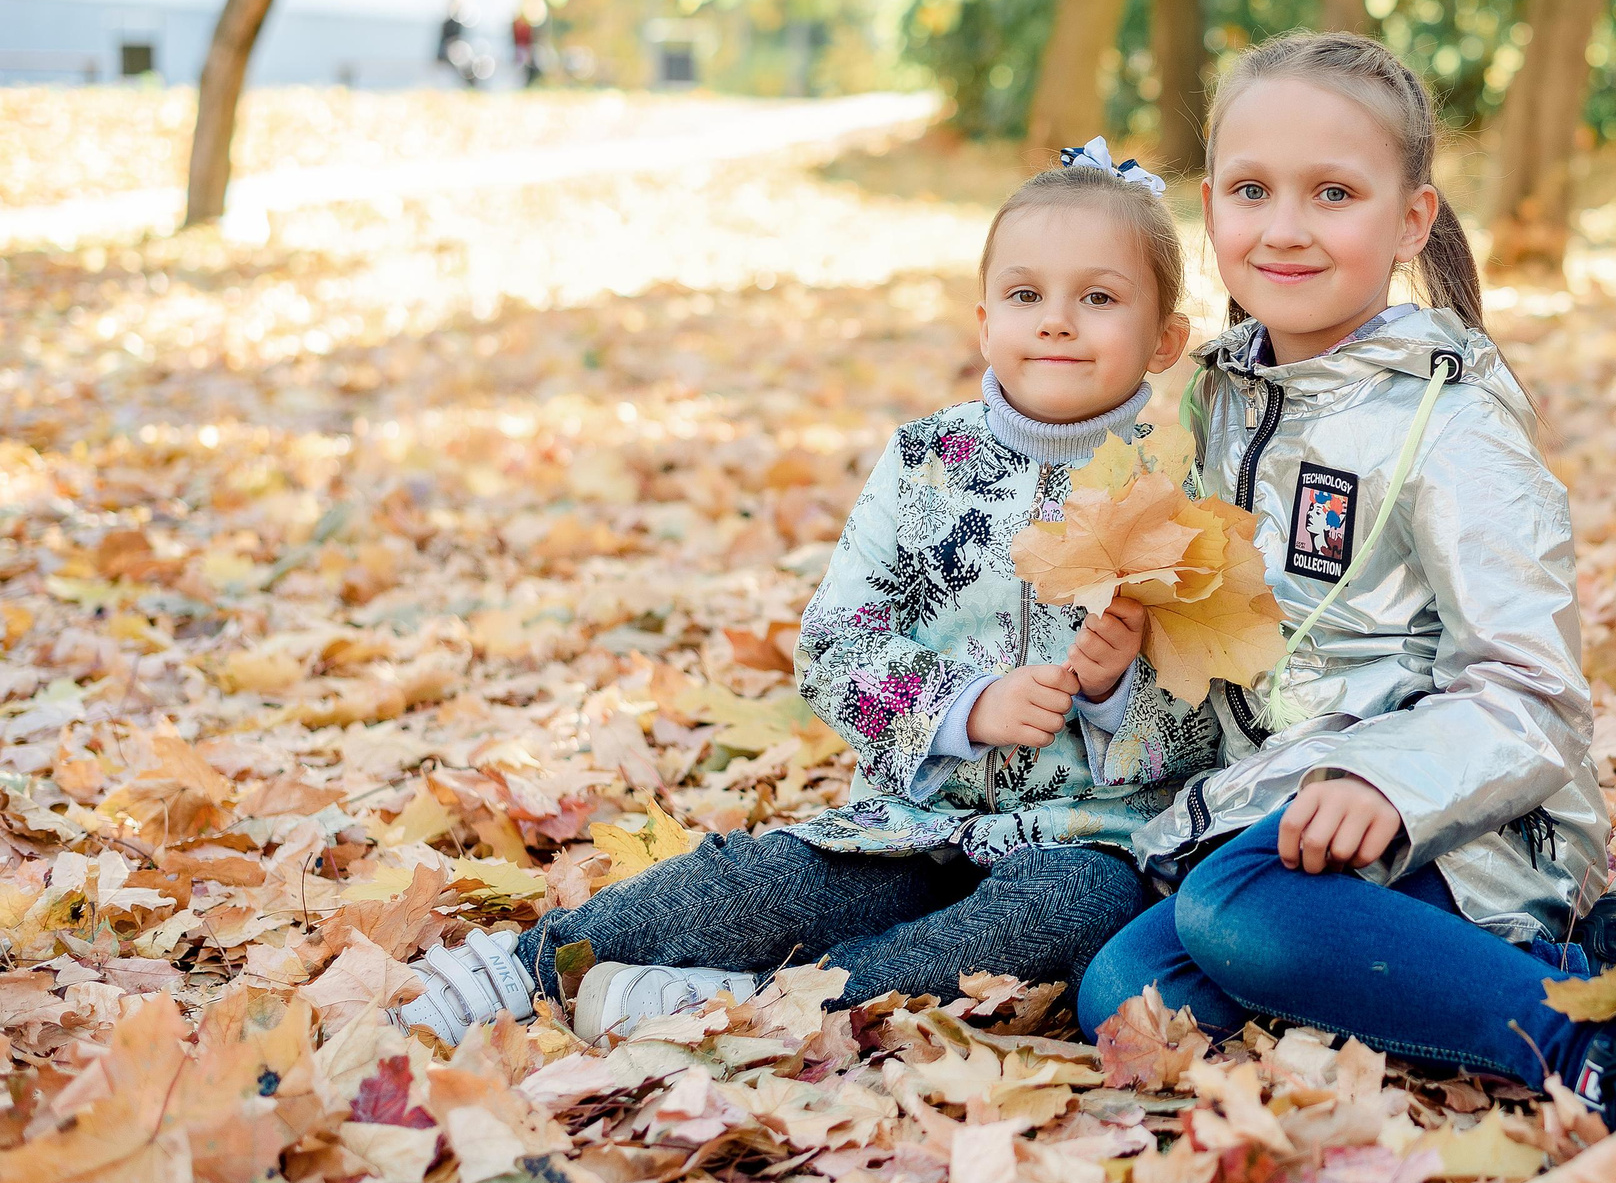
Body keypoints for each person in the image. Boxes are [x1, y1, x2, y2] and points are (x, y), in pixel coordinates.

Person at [1077, 33, 1616, 1152]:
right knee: (1133, 999)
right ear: (1208, 200)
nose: (1283, 226)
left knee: (1230, 906)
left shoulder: (1454, 423)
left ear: (1411, 219)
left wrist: (1388, 780)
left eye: (1333, 192)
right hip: (1284, 806)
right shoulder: (1219, 399)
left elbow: (1533, 691)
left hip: (1465, 816)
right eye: (1249, 189)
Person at [400, 139, 1222, 1045]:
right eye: (1028, 295)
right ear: (985, 321)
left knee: (1066, 914)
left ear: (1166, 338)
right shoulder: (923, 463)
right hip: (914, 815)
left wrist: (1114, 694)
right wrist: (967, 705)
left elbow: (1224, 707)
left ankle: (754, 1007)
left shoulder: (1183, 487)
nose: (1057, 322)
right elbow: (834, 642)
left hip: (1090, 834)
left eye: (1098, 298)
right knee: (762, 879)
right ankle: (526, 968)